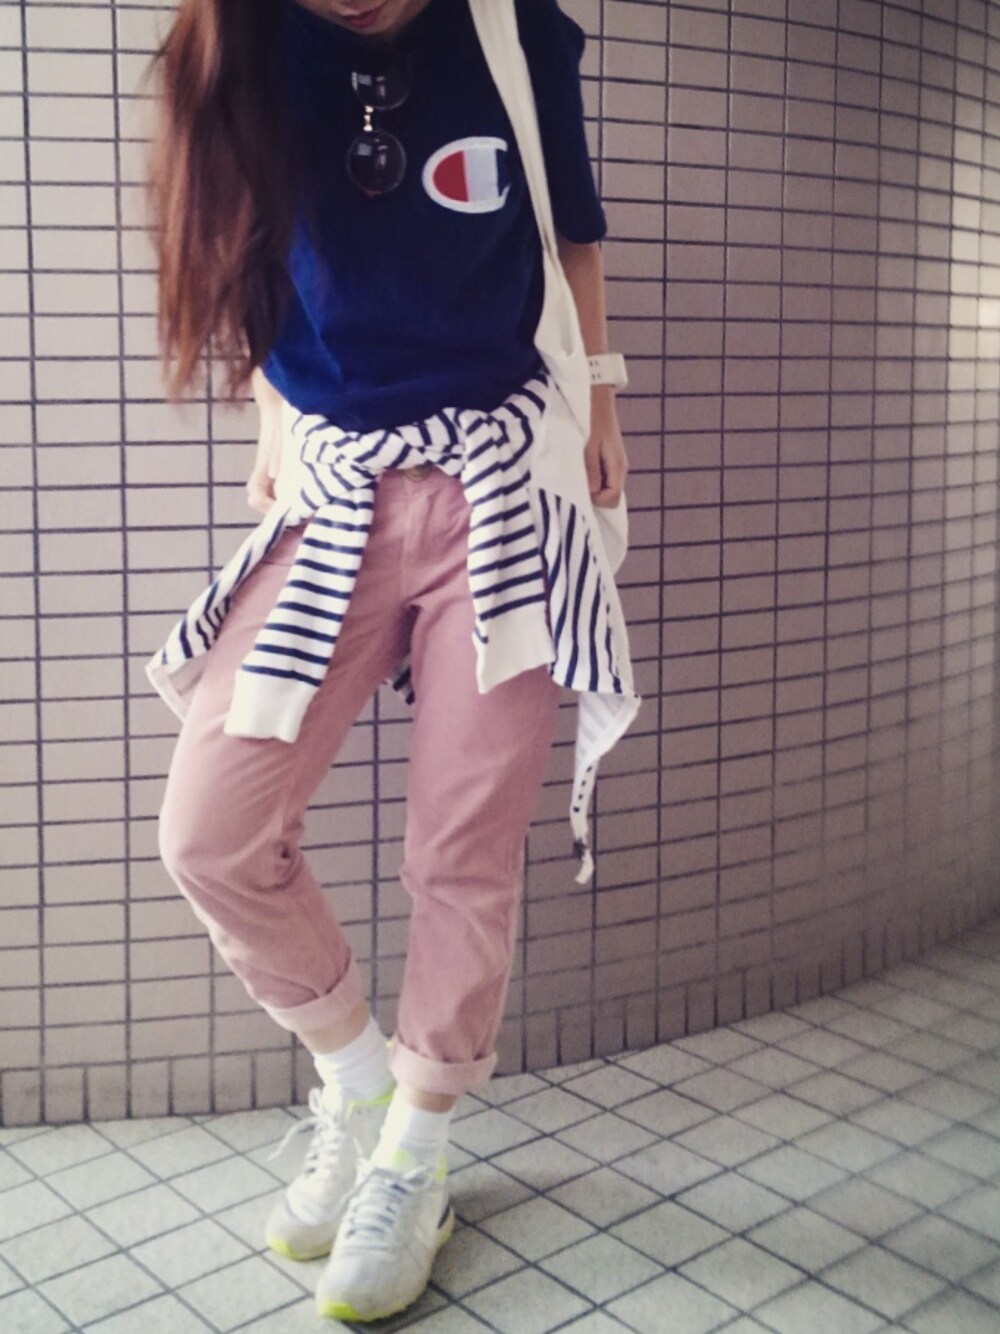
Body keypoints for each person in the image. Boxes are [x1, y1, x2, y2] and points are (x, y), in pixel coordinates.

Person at [144, 0, 637, 1321]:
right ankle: (357, 1087)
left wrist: (600, 394)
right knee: (211, 833)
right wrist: (271, 418)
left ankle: (415, 1154)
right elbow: (246, 254)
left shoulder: (512, 29)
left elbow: (570, 227)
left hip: (504, 485)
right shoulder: (241, 44)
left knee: (462, 849)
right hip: (337, 491)